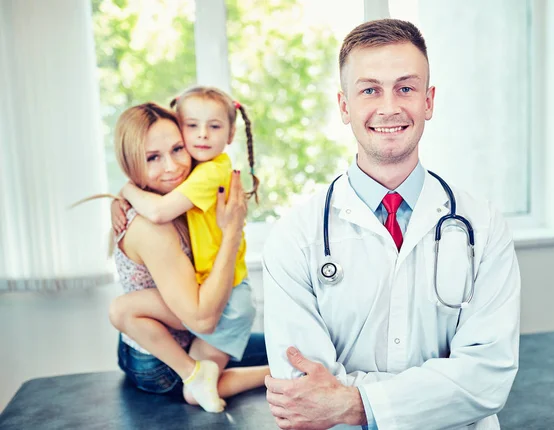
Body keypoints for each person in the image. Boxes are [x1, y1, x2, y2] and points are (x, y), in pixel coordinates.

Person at [262, 19, 520, 429]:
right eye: (369, 90)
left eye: (405, 87)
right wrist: (437, 390)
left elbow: (488, 377)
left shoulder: (483, 225)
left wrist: (353, 403)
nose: (389, 107)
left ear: (428, 101)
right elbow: (303, 391)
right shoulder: (295, 237)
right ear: (345, 106)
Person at [105, 102, 269, 413]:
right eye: (153, 157)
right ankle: (266, 375)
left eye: (178, 148)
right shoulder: (153, 226)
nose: (172, 167)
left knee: (287, 344)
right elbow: (203, 319)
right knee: (277, 357)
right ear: (130, 164)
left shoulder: (183, 190)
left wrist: (123, 192)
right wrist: (232, 232)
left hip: (192, 330)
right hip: (161, 359)